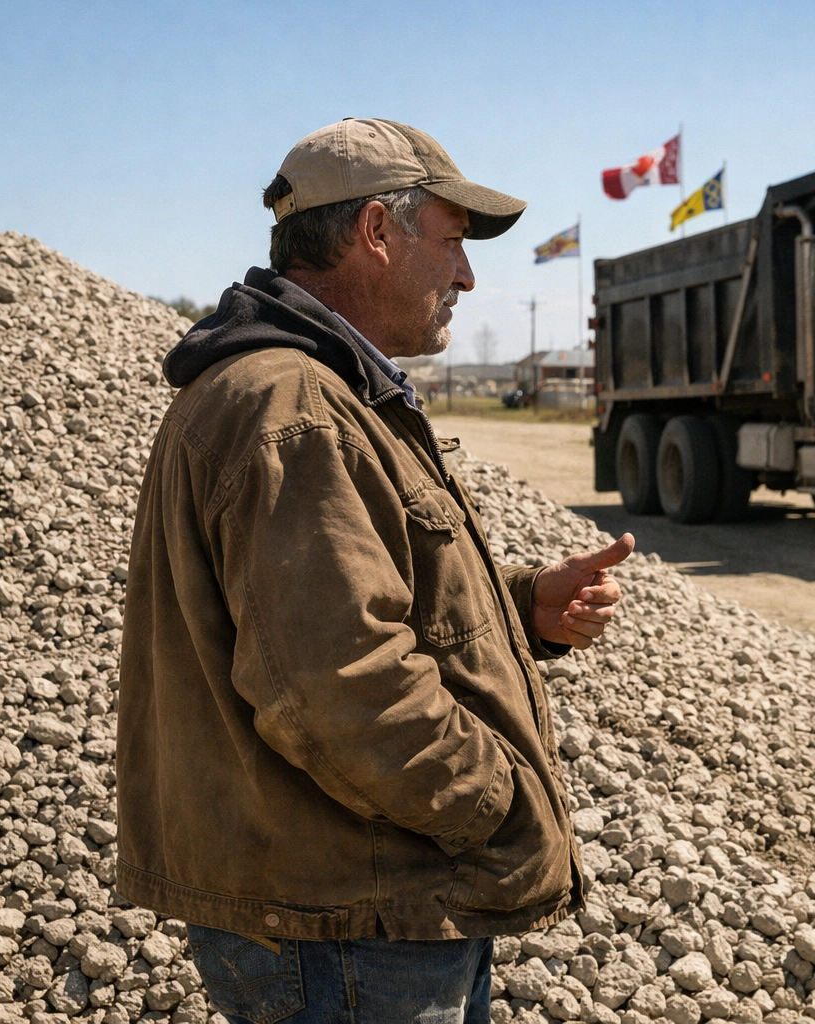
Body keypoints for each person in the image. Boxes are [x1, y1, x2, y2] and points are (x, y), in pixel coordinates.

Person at [117, 119, 634, 1024]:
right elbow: (336, 681)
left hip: (351, 913)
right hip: (354, 926)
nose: (467, 276)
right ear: (375, 233)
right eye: (452, 244)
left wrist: (519, 609)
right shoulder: (294, 404)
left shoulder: (304, 389)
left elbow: (336, 607)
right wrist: (500, 807)